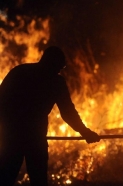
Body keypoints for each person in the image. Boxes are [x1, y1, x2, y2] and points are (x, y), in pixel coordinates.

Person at [0, 46, 101, 186]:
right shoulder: (55, 82)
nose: (60, 70)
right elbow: (68, 113)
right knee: (37, 179)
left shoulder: (20, 72)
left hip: (13, 135)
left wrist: (85, 132)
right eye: (60, 66)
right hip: (31, 137)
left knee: (6, 177)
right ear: (52, 63)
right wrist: (85, 132)